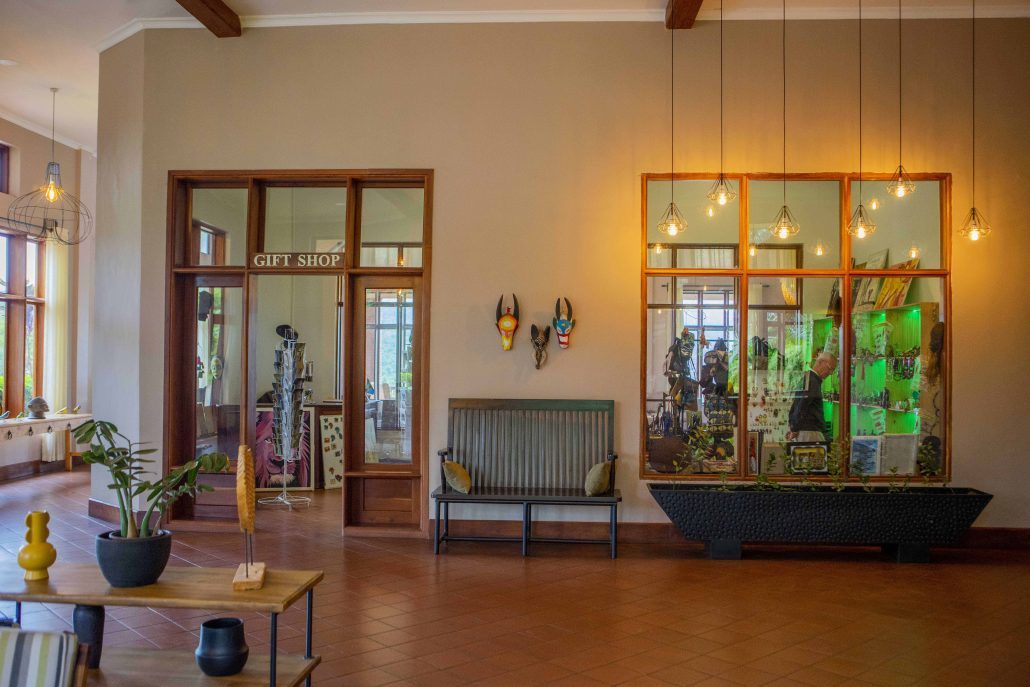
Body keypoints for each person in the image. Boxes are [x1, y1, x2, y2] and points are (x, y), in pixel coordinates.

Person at [786, 351, 837, 442]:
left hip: (805, 431)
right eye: (830, 368)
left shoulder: (807, 378)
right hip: (810, 432)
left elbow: (796, 404)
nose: (830, 373)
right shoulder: (812, 381)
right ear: (820, 362)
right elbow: (801, 405)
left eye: (832, 370)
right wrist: (794, 428)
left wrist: (793, 426)